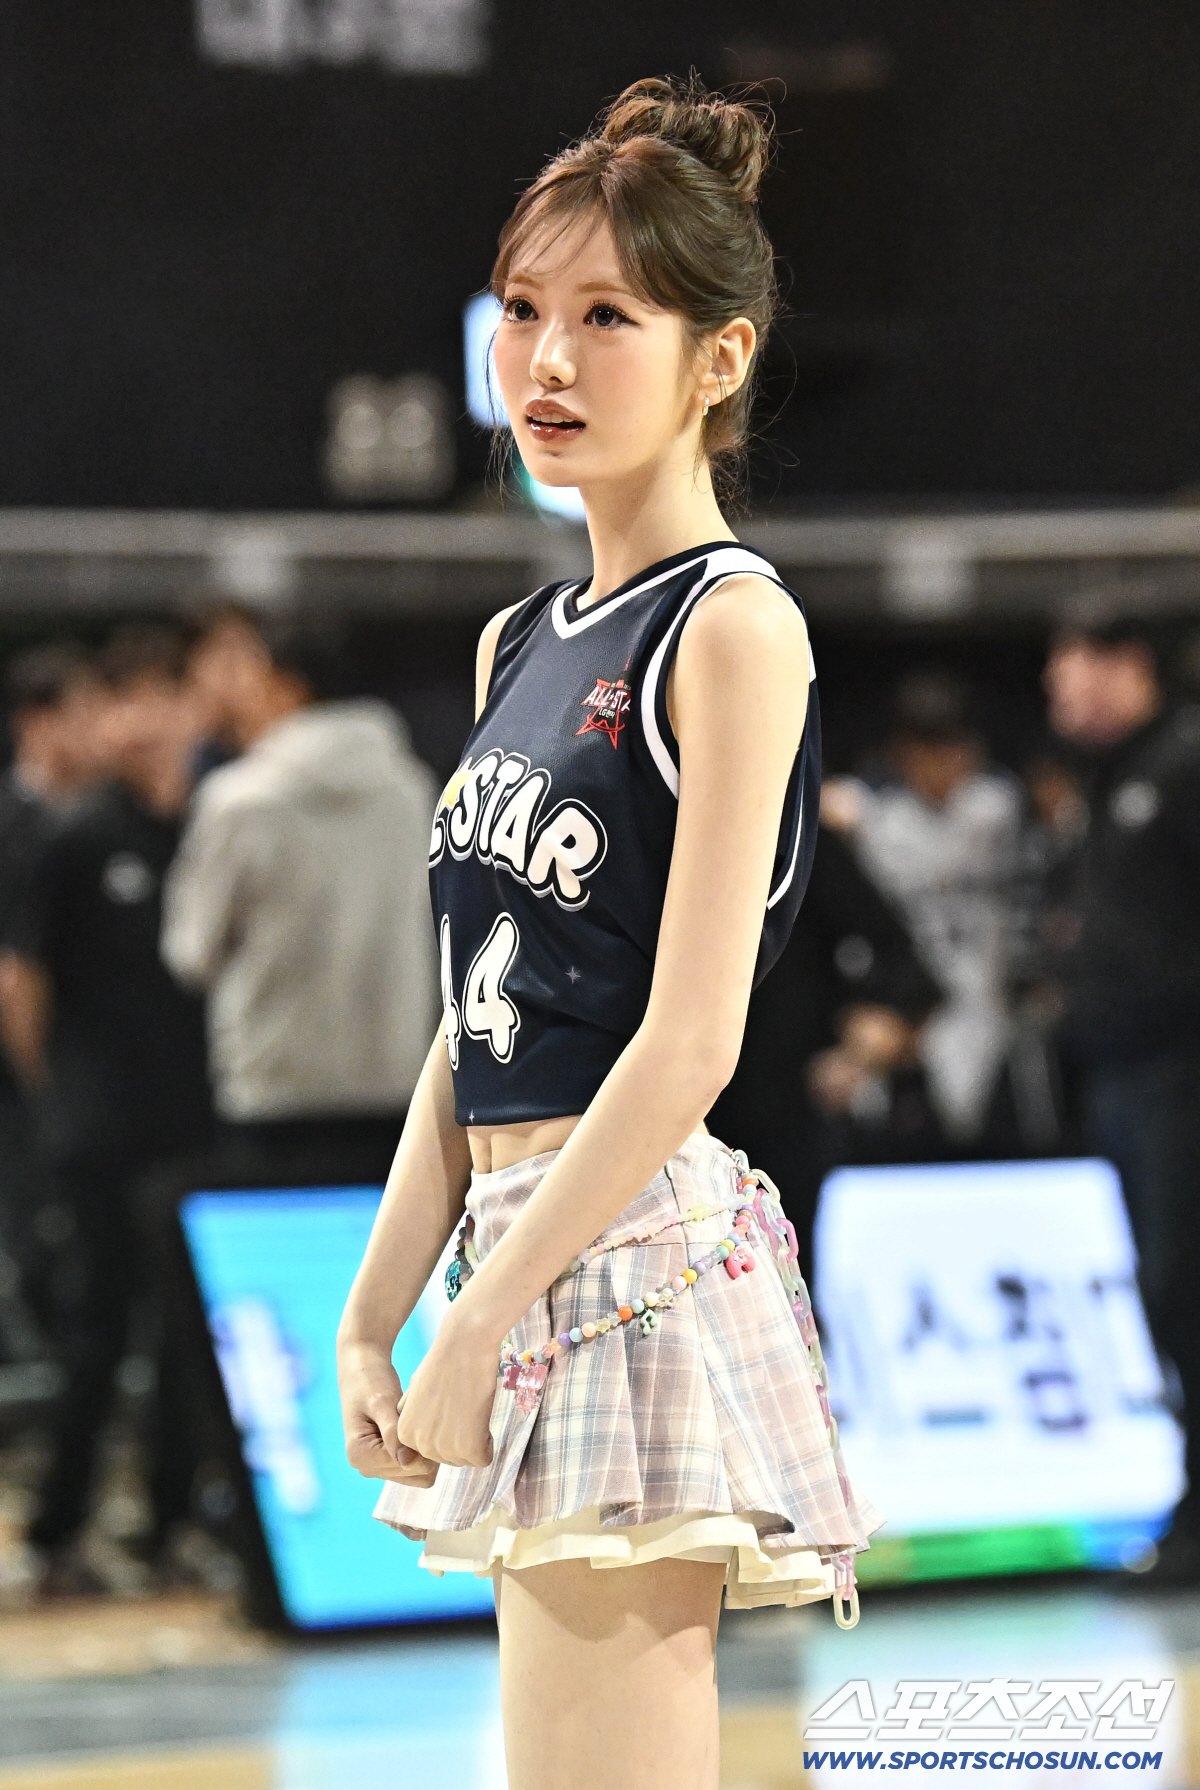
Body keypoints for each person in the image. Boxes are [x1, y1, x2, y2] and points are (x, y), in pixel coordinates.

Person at [337, 77, 879, 1790]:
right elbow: (471, 1019)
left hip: (626, 1249)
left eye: (606, 317)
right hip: (519, 1235)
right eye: (522, 311)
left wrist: (483, 1312)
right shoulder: (519, 640)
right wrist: (376, 1306)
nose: (546, 362)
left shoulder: (731, 626)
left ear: (721, 357)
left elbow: (693, 1038)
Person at [5, 624, 214, 1587]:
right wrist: (58, 1097)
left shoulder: (211, 823)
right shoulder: (76, 834)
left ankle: (171, 1524)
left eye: (163, 696)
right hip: (99, 1130)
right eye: (124, 698)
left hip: (194, 1122)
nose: (144, 721)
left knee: (185, 1335)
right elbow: (21, 982)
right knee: (97, 1332)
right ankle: (57, 1535)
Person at [161, 608, 439, 1188]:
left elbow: (193, 952)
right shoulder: (412, 787)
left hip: (274, 1084)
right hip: (394, 1076)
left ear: (288, 685)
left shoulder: (239, 798)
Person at [1044, 603, 1200, 1580]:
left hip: (1182, 1068)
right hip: (1126, 1071)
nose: (1059, 687)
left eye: (1073, 665)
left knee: (1185, 1287)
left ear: (1129, 665)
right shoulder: (1110, 779)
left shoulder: (1181, 763)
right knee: (1165, 1293)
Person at [710, 822, 942, 1284]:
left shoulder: (791, 829)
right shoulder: (643, 820)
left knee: (784, 1273)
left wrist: (858, 1051)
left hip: (781, 1101)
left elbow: (898, 953)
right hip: (671, 1106)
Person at [822, 671, 1024, 1146]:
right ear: (902, 752)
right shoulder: (868, 810)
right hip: (904, 1005)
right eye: (926, 749)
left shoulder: (1002, 806)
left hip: (989, 1002)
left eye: (952, 747)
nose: (940, 764)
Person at [0, 644, 103, 1358]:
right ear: (37, 721)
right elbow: (15, 974)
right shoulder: (13, 824)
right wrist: (41, 1081)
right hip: (23, 1079)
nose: (99, 728)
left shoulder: (94, 819)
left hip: (81, 1071)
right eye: (82, 712)